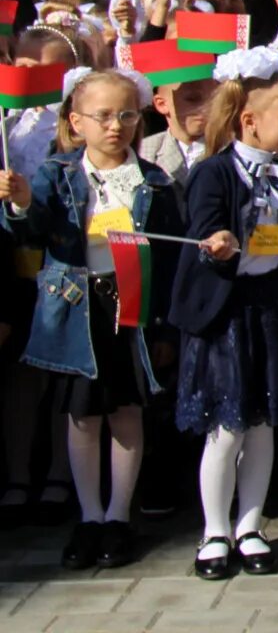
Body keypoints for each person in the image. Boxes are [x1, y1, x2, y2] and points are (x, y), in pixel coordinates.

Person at [3, 70, 183, 571]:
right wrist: (19, 203)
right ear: (76, 121)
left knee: (126, 412)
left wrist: (166, 326)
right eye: (103, 116)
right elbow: (33, 232)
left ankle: (119, 517)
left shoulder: (155, 181)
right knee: (82, 415)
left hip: (131, 302)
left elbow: (169, 258)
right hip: (77, 305)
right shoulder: (57, 174)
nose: (116, 126)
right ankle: (89, 515)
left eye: (127, 114)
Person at [171, 49, 278, 580]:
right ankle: (215, 529)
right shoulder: (214, 171)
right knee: (225, 428)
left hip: (269, 304)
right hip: (227, 313)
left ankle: (251, 523)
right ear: (250, 120)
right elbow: (202, 222)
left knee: (262, 424)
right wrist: (217, 239)